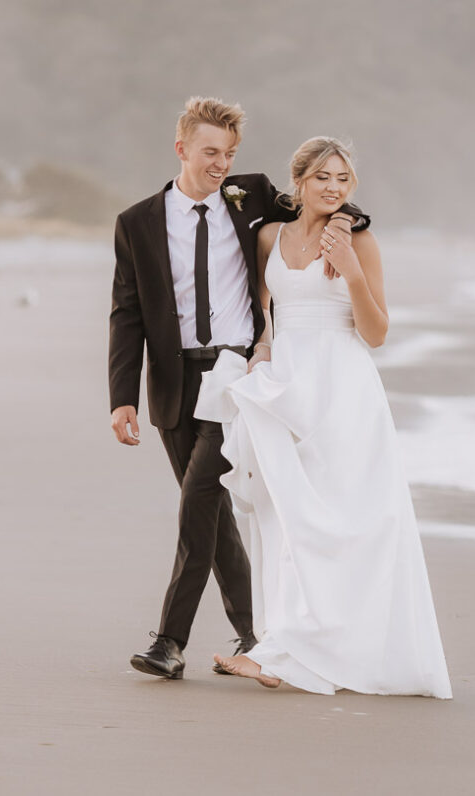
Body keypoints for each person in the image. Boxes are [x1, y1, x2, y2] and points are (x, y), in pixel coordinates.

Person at [108, 98, 366, 680]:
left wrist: (349, 221)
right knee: (212, 514)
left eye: (229, 154)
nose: (221, 164)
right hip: (173, 382)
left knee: (198, 499)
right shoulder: (138, 222)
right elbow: (126, 314)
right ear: (182, 150)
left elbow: (319, 203)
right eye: (210, 153)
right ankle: (255, 634)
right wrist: (121, 395)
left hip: (237, 378)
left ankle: (169, 641)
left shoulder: (248, 195)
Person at [195, 137, 452, 698]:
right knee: (285, 519)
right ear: (300, 182)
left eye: (343, 179)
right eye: (323, 179)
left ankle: (333, 652)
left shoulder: (361, 239)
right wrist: (258, 359)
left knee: (349, 524)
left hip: (345, 392)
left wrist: (350, 270)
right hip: (287, 388)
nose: (334, 188)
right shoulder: (269, 236)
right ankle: (281, 647)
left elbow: (378, 334)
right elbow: (263, 316)